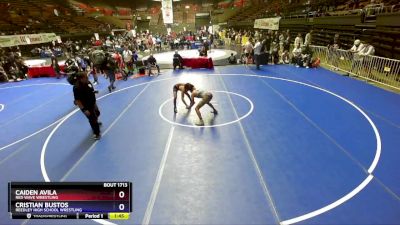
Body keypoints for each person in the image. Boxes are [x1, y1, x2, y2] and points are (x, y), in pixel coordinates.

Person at [73, 72, 102, 140]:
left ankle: (96, 122)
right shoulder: (77, 87)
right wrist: (84, 110)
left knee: (97, 113)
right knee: (92, 120)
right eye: (86, 77)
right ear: (81, 79)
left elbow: (91, 90)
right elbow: (77, 101)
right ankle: (97, 133)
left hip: (92, 102)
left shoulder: (88, 82)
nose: (87, 78)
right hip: (86, 106)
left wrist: (94, 92)